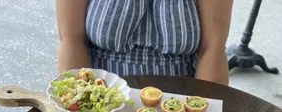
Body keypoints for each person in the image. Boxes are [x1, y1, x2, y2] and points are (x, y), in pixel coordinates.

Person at [56, 0, 233, 85]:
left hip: (181, 104)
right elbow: (72, 41)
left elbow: (212, 48)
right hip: (100, 97)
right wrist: (79, 107)